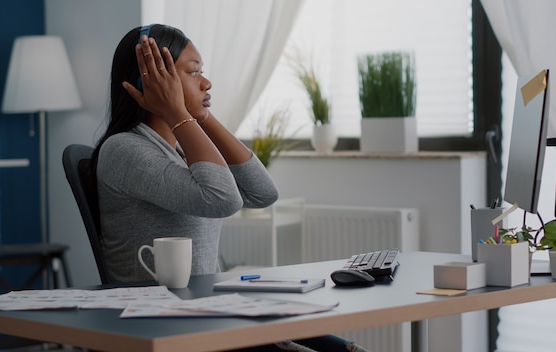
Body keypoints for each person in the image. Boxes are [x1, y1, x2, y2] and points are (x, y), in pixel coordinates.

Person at [90, 24, 368, 352]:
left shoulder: (180, 152)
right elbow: (222, 199)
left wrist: (201, 116)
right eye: (193, 73)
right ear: (152, 80)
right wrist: (180, 112)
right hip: (168, 325)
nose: (206, 83)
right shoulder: (124, 150)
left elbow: (264, 193)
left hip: (208, 313)